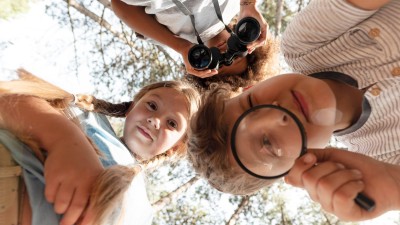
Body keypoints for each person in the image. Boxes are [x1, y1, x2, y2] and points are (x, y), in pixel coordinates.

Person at [187, 0, 400, 222]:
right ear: (295, 166)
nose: (277, 114)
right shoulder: (385, 158)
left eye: (252, 104)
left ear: (251, 87)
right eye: (268, 143)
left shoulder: (304, 46)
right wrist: (394, 185)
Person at [0, 69, 200, 225]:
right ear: (131, 107)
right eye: (152, 106)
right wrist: (64, 139)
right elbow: (9, 97)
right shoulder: (89, 117)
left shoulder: (143, 209)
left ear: (174, 148)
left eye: (172, 124)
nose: (155, 121)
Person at [111, 0, 280, 92]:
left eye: (219, 62)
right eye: (236, 55)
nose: (225, 52)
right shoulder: (238, 5)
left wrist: (182, 47)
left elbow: (119, 4)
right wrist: (248, 5)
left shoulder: (172, 38)